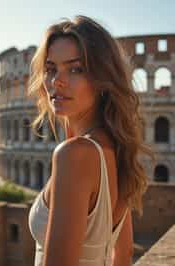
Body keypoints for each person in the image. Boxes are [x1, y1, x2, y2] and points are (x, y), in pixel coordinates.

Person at [28, 15, 153, 266]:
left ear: (102, 80)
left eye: (76, 69)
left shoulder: (74, 154)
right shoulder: (115, 148)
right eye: (51, 69)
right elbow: (124, 254)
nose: (56, 81)